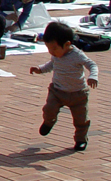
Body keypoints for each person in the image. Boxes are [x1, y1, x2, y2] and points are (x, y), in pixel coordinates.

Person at [29, 21, 98, 152]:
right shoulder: (56, 55)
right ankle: (49, 121)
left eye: (54, 48)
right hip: (57, 91)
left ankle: (81, 140)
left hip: (78, 94)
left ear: (67, 44)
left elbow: (92, 64)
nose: (51, 52)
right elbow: (51, 64)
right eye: (49, 49)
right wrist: (40, 69)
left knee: (81, 120)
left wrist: (93, 76)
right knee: (49, 109)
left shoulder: (77, 55)